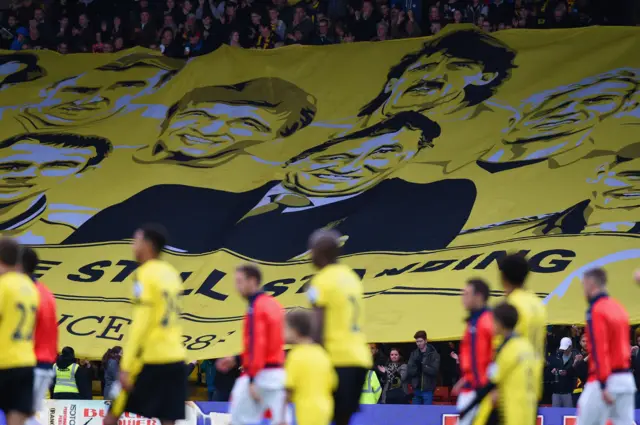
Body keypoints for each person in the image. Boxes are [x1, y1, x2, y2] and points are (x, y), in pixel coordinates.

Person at [106, 224, 187, 425]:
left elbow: (141, 323)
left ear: (148, 245)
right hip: (175, 357)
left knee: (111, 416)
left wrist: (125, 366)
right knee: (168, 419)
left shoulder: (145, 274)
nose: (133, 246)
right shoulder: (172, 274)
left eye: (136, 241)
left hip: (150, 359)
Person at [307, 229, 372, 425]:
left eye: (312, 250)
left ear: (321, 252)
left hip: (336, 358)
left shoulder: (321, 281)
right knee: (343, 420)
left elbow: (318, 326)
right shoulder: (352, 278)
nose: (309, 255)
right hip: (360, 358)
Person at [216, 264, 285, 425]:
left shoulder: (256, 307)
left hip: (258, 373)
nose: (236, 287)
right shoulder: (273, 304)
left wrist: (253, 379)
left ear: (253, 281)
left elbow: (257, 343)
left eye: (240, 281)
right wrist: (238, 358)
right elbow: (267, 343)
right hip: (277, 373)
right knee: (281, 420)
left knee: (238, 421)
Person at [460, 303, 537, 425]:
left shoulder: (506, 349)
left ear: (500, 323)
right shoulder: (528, 347)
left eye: (493, 321)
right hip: (525, 411)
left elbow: (491, 383)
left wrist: (468, 408)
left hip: (507, 412)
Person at [577, 268, 635, 425]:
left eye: (583, 286)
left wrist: (603, 384)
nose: (583, 291)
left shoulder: (596, 310)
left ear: (591, 283)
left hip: (604, 380)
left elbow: (598, 348)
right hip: (626, 380)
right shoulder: (619, 307)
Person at [0, 238, 40, 425]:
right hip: (25, 361)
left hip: (4, 360)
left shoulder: (4, 285)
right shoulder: (30, 288)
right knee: (15, 418)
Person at [498, 254, 546, 400]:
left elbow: (503, 348)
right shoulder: (537, 304)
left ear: (503, 278)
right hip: (533, 383)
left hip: (511, 386)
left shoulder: (510, 306)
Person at [18, 247, 58, 418]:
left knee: (19, 415)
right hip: (43, 362)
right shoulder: (45, 292)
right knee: (25, 415)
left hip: (28, 362)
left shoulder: (22, 292)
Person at [284, 309, 337, 425]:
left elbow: (288, 390)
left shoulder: (295, 355)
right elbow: (332, 383)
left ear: (294, 331)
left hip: (307, 413)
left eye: (284, 328)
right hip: (325, 410)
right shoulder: (321, 353)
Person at [453, 279, 493, 425]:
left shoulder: (488, 322)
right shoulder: (473, 321)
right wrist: (464, 379)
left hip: (481, 391)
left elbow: (497, 357)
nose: (462, 297)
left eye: (467, 293)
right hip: (471, 388)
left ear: (479, 296)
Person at [407, 330, 440, 405]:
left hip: (428, 389)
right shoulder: (414, 354)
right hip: (416, 389)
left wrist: (422, 366)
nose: (418, 343)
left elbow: (434, 371)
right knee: (415, 413)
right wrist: (418, 369)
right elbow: (409, 370)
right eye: (417, 341)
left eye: (420, 341)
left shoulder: (434, 354)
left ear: (426, 341)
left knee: (427, 413)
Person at [549, 337, 575, 407]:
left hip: (568, 392)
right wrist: (552, 372)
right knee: (555, 414)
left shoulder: (575, 357)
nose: (564, 351)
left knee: (569, 414)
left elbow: (577, 372)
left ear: (570, 347)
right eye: (562, 349)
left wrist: (567, 373)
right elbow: (549, 371)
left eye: (565, 348)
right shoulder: (557, 356)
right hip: (556, 392)